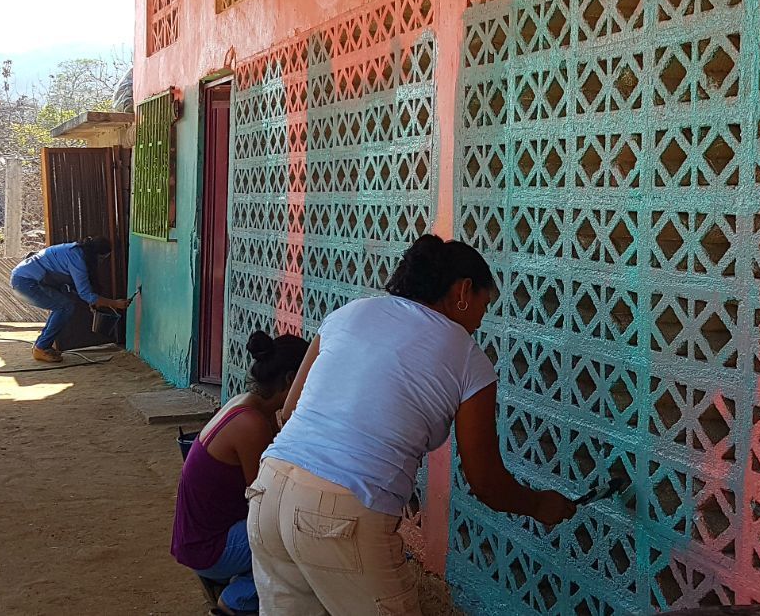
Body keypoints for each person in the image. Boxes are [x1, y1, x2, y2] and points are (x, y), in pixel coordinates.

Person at [247, 235, 577, 615]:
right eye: (484, 305)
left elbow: (289, 410)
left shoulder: (349, 313)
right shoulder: (468, 358)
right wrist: (539, 504)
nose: (480, 321)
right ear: (463, 291)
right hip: (342, 513)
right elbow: (486, 482)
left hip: (269, 492)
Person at [174, 331, 309, 616]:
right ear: (290, 380)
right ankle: (237, 599)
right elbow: (265, 502)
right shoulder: (250, 424)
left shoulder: (244, 405)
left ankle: (241, 579)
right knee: (304, 538)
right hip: (211, 548)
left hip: (201, 539)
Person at [9, 237, 129, 362]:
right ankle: (41, 347)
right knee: (64, 307)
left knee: (62, 305)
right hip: (25, 282)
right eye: (101, 259)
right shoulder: (77, 259)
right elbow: (85, 294)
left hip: (22, 277)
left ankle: (42, 345)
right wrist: (115, 304)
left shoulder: (74, 250)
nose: (101, 263)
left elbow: (80, 289)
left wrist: (95, 300)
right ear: (95, 255)